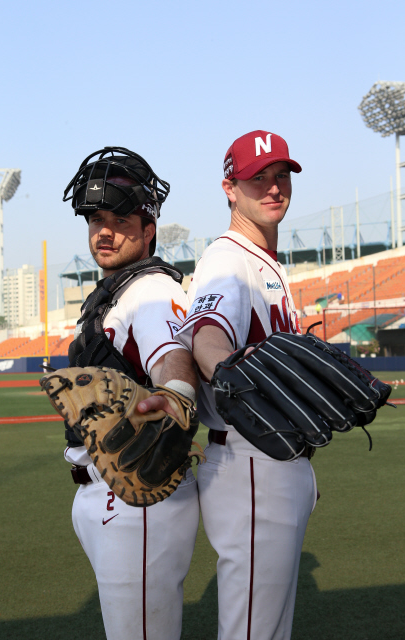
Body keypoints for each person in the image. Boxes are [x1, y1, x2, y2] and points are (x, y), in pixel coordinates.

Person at [175, 130, 318, 640]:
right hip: (251, 459)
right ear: (229, 188)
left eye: (281, 176)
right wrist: (229, 368)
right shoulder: (227, 259)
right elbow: (206, 336)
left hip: (271, 459)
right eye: (258, 179)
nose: (273, 188)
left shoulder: (264, 261)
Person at [62, 147, 199, 640]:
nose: (105, 230)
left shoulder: (149, 290)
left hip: (135, 496)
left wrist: (176, 393)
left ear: (148, 229)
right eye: (97, 218)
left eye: (121, 218)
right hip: (111, 494)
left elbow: (172, 359)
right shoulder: (117, 290)